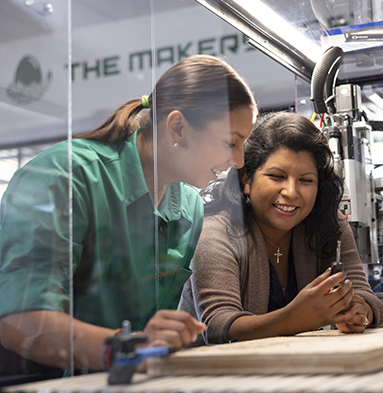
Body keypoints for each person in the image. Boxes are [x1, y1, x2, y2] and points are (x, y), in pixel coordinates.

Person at [0, 55, 257, 376]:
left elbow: (148, 334)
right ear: (177, 127)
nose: (238, 159)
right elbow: (19, 320)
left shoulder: (189, 205)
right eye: (231, 142)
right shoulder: (64, 177)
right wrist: (127, 347)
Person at [179, 111, 383, 345]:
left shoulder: (328, 223)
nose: (291, 192)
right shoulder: (214, 231)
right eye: (277, 176)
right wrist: (295, 318)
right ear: (246, 179)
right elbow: (217, 326)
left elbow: (366, 297)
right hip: (209, 375)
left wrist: (357, 313)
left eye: (306, 180)